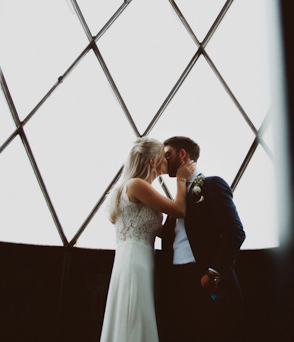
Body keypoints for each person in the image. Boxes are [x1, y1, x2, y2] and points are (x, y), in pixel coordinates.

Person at [100, 137, 194, 342]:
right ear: (152, 161)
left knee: (136, 317)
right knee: (132, 318)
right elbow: (179, 210)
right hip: (134, 261)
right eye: (164, 157)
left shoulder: (140, 188)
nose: (167, 161)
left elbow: (161, 230)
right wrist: (181, 179)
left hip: (141, 260)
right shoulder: (136, 185)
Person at [158, 136, 246, 342]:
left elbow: (236, 232)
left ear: (182, 154)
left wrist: (212, 276)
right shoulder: (177, 200)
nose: (164, 160)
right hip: (176, 283)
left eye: (167, 154)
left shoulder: (212, 185)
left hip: (204, 279)